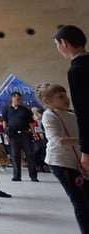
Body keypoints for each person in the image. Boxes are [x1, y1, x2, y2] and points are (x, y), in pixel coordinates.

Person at [39, 83, 89, 233]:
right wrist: (83, 140)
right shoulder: (49, 116)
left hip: (76, 162)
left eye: (65, 95)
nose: (66, 99)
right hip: (62, 164)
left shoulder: (71, 114)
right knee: (80, 202)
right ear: (48, 101)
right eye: (60, 97)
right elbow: (58, 141)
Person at [55, 24, 89, 171]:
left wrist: (86, 151)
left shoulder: (76, 70)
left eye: (57, 44)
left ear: (64, 43)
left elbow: (84, 112)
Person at [3, 91, 38, 182]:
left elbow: (30, 122)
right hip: (13, 134)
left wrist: (34, 133)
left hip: (25, 133)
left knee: (29, 154)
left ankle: (33, 175)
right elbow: (4, 121)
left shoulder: (25, 109)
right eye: (17, 99)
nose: (19, 101)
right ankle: (17, 175)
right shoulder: (7, 109)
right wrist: (5, 132)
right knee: (15, 155)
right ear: (12, 98)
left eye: (20, 99)